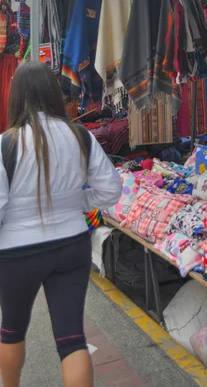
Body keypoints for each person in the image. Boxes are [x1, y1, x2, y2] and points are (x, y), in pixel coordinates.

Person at [0, 61, 122, 387]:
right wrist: (78, 204)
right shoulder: (79, 135)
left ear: (16, 97)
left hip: (17, 253)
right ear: (54, 94)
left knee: (11, 331)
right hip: (72, 246)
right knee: (71, 338)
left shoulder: (5, 144)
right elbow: (111, 189)